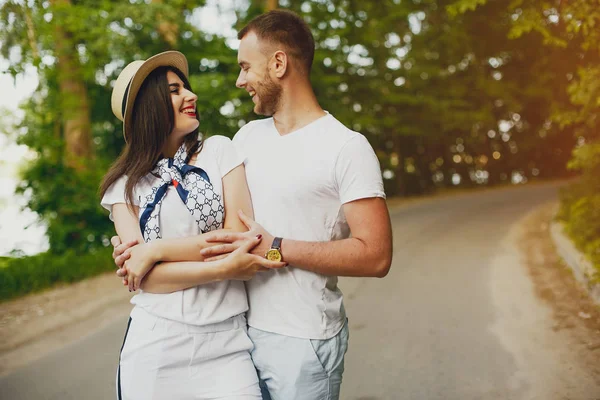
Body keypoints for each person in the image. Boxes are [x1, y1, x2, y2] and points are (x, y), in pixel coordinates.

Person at [112, 9, 393, 400]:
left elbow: (376, 256)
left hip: (302, 339)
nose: (240, 80)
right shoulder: (245, 139)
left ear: (278, 63)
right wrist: (138, 248)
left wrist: (276, 247)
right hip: (239, 334)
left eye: (246, 66)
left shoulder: (346, 148)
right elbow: (209, 226)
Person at [99, 50, 285, 400]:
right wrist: (224, 269)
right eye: (174, 90)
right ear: (148, 107)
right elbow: (147, 279)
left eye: (185, 87)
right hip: (155, 343)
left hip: (227, 345)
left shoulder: (219, 151)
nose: (191, 95)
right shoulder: (122, 187)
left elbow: (237, 238)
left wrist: (156, 250)